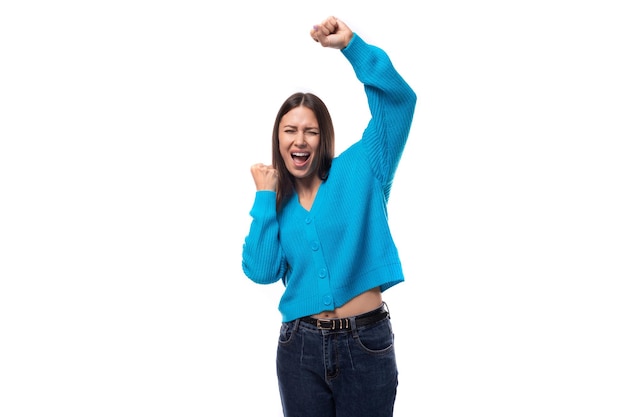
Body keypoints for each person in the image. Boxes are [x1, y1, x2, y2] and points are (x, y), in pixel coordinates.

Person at [241, 16, 416, 417]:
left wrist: (352, 47)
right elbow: (261, 270)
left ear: (324, 139)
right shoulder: (277, 201)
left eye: (311, 131)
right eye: (289, 131)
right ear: (278, 139)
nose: (299, 140)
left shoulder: (363, 166)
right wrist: (265, 198)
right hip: (299, 349)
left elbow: (399, 102)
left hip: (366, 343)